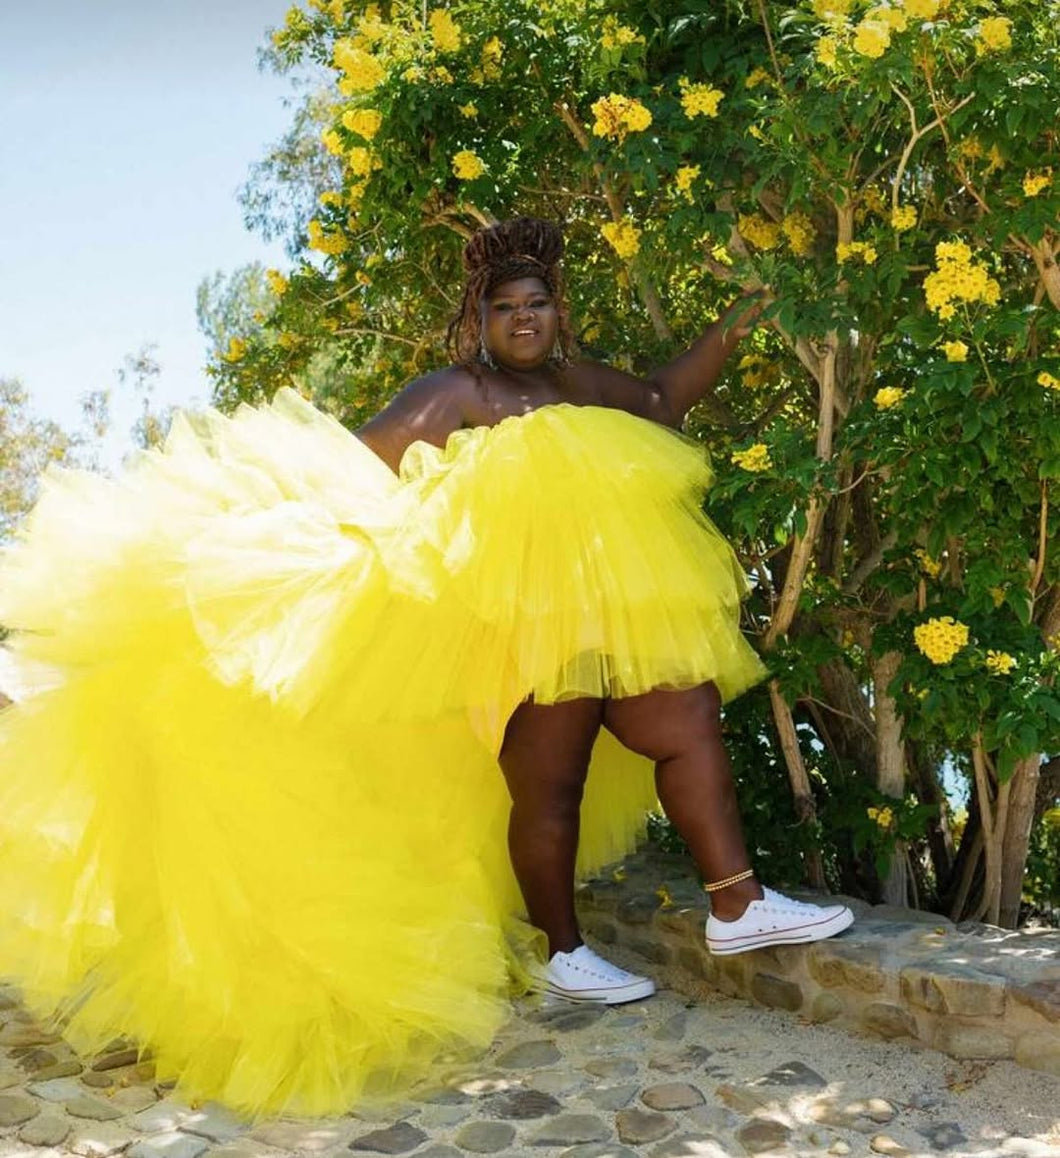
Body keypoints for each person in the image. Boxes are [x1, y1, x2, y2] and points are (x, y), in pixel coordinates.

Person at [0, 216, 850, 1118]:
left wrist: (740, 319)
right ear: (477, 320)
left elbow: (661, 400)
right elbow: (358, 468)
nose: (524, 320)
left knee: (685, 720)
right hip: (518, 639)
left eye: (538, 304)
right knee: (548, 790)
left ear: (560, 313)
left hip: (614, 624)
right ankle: (564, 951)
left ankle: (737, 905)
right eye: (504, 308)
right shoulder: (458, 393)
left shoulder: (581, 385)